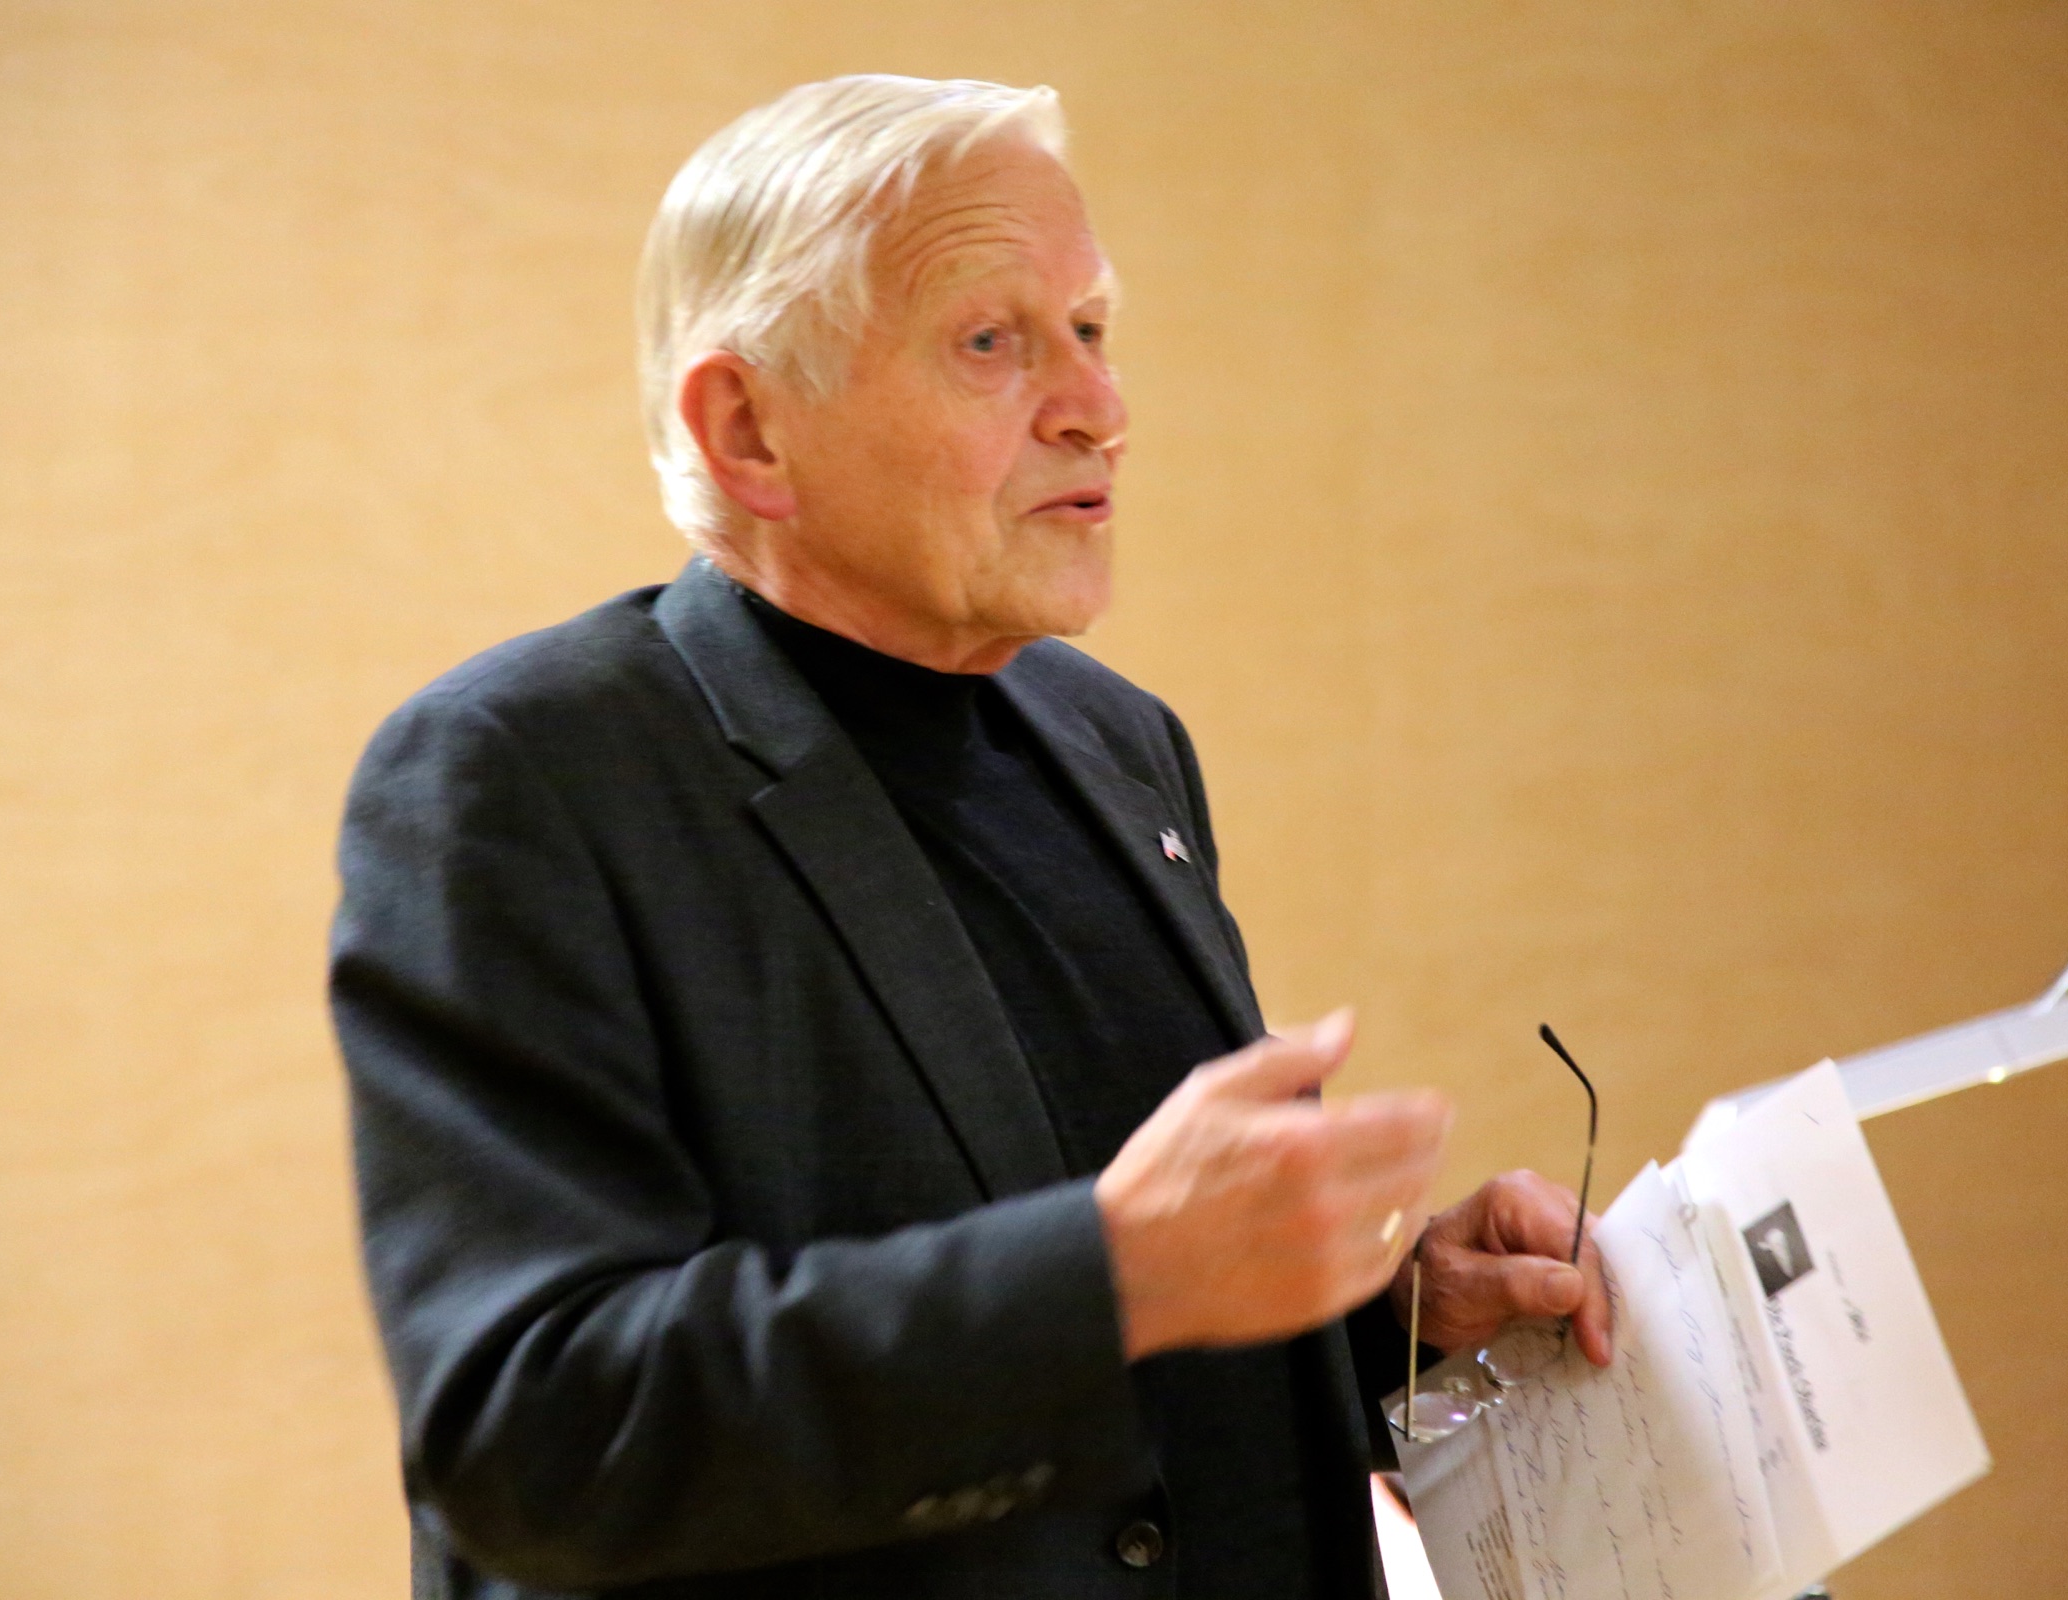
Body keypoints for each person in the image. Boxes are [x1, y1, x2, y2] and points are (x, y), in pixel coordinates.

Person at [331, 74, 1612, 1600]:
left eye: (1092, 328)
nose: (1099, 409)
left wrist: (1386, 1315)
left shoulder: (1118, 742)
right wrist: (1113, 1275)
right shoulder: (526, 776)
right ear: (748, 428)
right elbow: (537, 1433)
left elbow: (1124, 1314)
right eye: (992, 342)